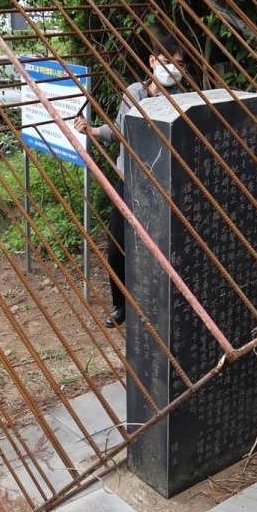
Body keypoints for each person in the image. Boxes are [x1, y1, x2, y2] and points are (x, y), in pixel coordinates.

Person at [74, 34, 187, 328]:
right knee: (116, 247)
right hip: (129, 182)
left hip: (162, 185)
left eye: (179, 65)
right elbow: (118, 132)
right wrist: (91, 130)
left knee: (157, 250)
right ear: (152, 61)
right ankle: (119, 304)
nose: (174, 69)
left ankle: (157, 308)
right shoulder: (133, 93)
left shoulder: (182, 99)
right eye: (167, 62)